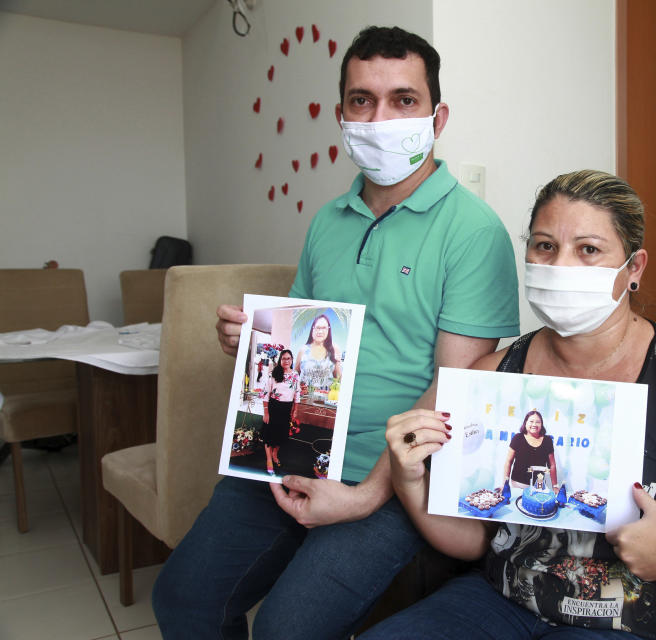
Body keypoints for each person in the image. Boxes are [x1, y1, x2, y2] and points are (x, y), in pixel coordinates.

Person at [151, 26, 520, 640]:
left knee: (285, 631)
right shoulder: (328, 220)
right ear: (341, 114)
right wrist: (252, 344)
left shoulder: (473, 230)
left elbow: (455, 388)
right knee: (182, 599)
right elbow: (299, 349)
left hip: (391, 478)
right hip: (288, 455)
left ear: (438, 115)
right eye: (361, 101)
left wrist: (365, 496)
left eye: (403, 100)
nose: (380, 118)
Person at [367, 170, 656, 639]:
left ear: (633, 269)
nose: (561, 266)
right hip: (503, 602)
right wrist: (409, 478)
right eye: (545, 246)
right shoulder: (491, 376)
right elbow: (475, 542)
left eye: (589, 250)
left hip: (637, 625)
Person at [261, 349, 299, 475]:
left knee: (281, 435)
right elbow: (265, 393)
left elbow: (297, 393)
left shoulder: (295, 375)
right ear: (280, 360)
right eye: (284, 358)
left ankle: (274, 454)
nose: (286, 361)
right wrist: (266, 412)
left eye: (288, 358)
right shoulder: (274, 373)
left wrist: (295, 410)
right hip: (273, 407)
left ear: (292, 360)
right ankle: (269, 460)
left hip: (286, 409)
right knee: (269, 434)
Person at [502, 410, 558, 492]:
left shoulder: (548, 440)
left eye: (538, 422)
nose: (534, 425)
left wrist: (555, 486)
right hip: (518, 486)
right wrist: (504, 484)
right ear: (525, 423)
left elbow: (552, 465)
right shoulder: (517, 438)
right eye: (531, 421)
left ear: (541, 424)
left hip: (539, 487)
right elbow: (508, 462)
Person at [295, 313, 341, 393]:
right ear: (313, 329)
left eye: (324, 328)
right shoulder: (303, 350)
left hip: (326, 400)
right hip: (304, 398)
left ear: (328, 330)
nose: (320, 331)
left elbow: (338, 377)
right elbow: (295, 376)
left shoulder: (334, 348)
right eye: (317, 328)